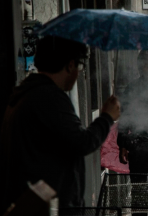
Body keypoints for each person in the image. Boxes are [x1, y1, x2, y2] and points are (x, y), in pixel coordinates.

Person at [0, 36, 121, 213]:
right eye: (79, 67)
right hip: (49, 205)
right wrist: (107, 117)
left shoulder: (29, 93)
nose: (78, 72)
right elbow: (82, 142)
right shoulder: (50, 97)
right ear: (70, 65)